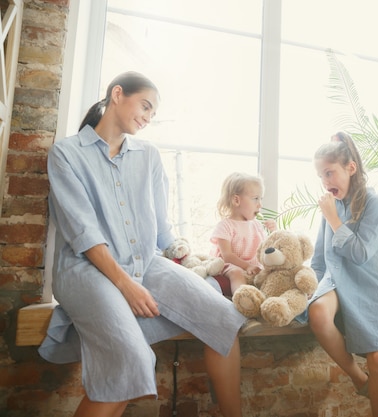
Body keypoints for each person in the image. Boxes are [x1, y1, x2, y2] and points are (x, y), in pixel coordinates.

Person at [38, 71, 249, 417]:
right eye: (146, 106)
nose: (149, 118)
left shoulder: (149, 155)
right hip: (85, 269)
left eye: (153, 113)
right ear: (117, 94)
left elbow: (162, 229)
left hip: (145, 262)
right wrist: (126, 287)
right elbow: (84, 233)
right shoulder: (66, 154)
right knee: (131, 358)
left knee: (223, 316)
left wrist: (201, 261)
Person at [305, 132, 378, 417]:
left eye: (330, 173)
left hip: (370, 283)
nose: (326, 182)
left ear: (350, 168)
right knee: (317, 314)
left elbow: (361, 253)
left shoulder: (374, 203)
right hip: (336, 279)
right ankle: (359, 378)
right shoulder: (330, 206)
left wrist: (334, 219)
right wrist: (305, 289)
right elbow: (319, 256)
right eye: (321, 176)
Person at [211, 172, 277, 294]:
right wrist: (247, 266)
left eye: (261, 199)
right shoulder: (225, 226)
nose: (260, 205)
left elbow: (266, 249)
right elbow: (227, 256)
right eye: (255, 198)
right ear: (236, 200)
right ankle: (242, 298)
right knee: (236, 272)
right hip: (230, 265)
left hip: (254, 266)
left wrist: (274, 231)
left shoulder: (256, 225)